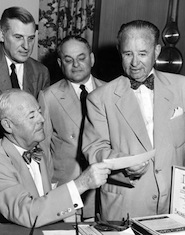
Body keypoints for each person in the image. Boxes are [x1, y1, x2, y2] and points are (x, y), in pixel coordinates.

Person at [82, 19, 185, 221]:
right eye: (128, 54)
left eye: (142, 54)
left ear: (157, 51)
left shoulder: (184, 87)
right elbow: (95, 148)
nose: (135, 63)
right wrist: (122, 163)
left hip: (174, 204)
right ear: (120, 52)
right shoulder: (99, 98)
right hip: (124, 206)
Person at [0, 89, 111, 228]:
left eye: (40, 112)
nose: (42, 119)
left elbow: (43, 202)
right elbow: (28, 214)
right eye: (32, 116)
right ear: (8, 125)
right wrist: (82, 183)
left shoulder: (37, 148)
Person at [0, 6, 50, 160]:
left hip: (22, 159)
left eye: (31, 38)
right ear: (2, 35)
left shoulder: (40, 71)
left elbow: (41, 123)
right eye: (18, 37)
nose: (26, 46)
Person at [38, 35, 105, 220]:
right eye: (68, 60)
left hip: (102, 191)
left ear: (91, 59)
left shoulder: (110, 92)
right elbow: (42, 149)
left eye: (81, 58)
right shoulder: (48, 96)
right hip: (67, 188)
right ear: (60, 63)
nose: (75, 64)